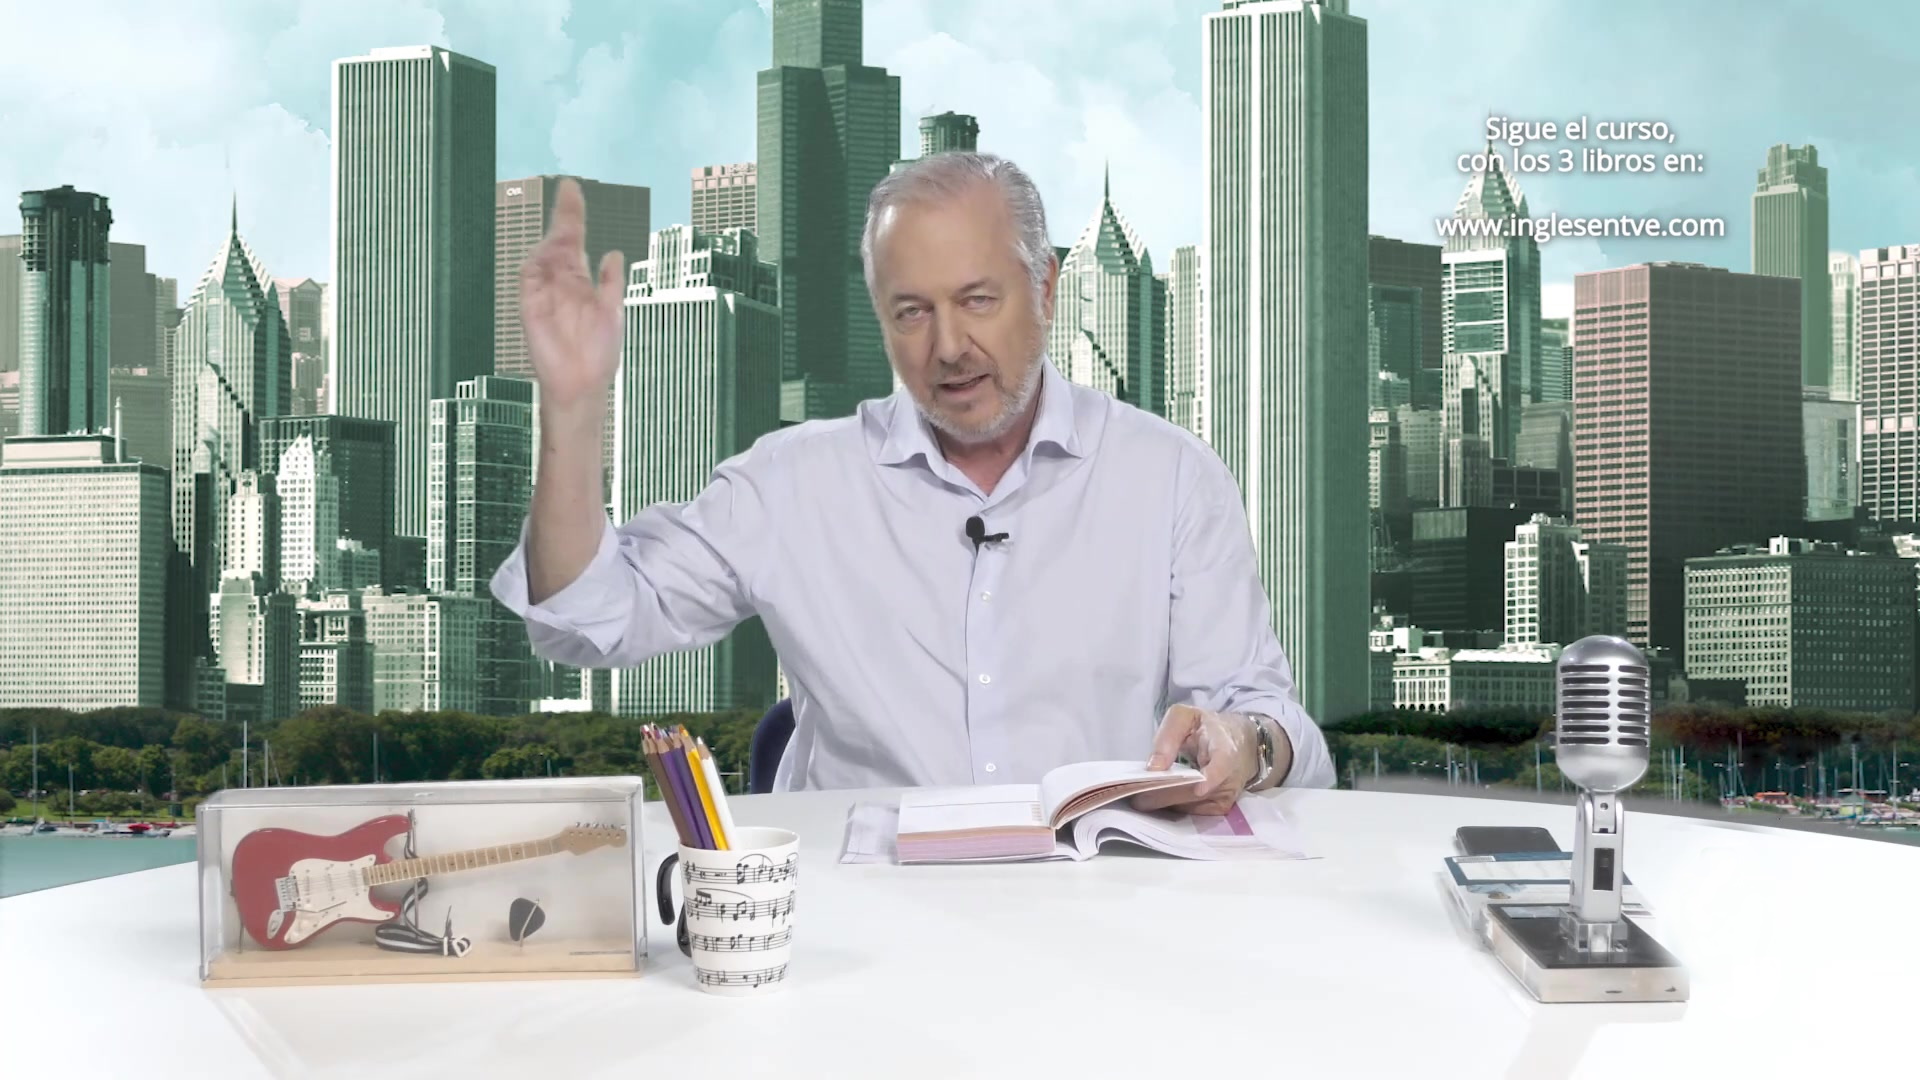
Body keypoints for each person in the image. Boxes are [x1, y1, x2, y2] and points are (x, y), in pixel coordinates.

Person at [491, 152, 1334, 812]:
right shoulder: (793, 483)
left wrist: (1249, 743)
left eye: (978, 301)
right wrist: (571, 408)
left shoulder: (1171, 477)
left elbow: (1268, 722)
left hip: (1094, 905)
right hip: (856, 914)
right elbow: (583, 619)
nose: (949, 348)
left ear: (1045, 288)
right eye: (913, 312)